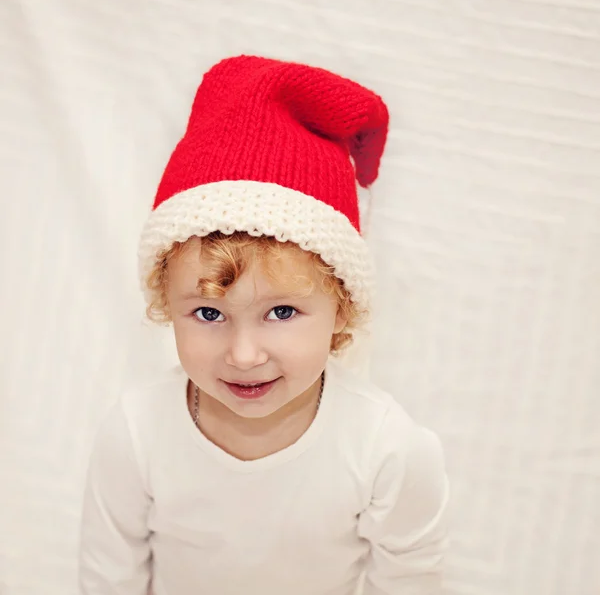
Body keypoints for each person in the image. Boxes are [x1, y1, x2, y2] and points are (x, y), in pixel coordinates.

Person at [79, 55, 449, 595]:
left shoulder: (387, 448)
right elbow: (108, 577)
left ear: (342, 307)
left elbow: (411, 581)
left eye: (281, 312)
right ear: (165, 303)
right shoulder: (137, 433)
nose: (244, 354)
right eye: (209, 314)